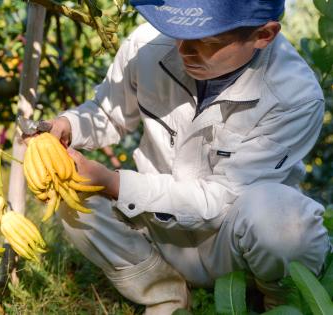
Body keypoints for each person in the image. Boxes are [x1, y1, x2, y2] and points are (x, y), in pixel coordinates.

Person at [37, 0, 331, 313]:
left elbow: (221, 198)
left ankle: (279, 302)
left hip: (232, 241)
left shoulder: (294, 96)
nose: (184, 49)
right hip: (157, 230)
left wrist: (114, 183)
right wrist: (68, 125)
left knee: (282, 219)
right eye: (177, 31)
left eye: (208, 41)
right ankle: (164, 293)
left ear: (264, 35)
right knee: (69, 192)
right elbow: (108, 114)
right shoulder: (146, 44)